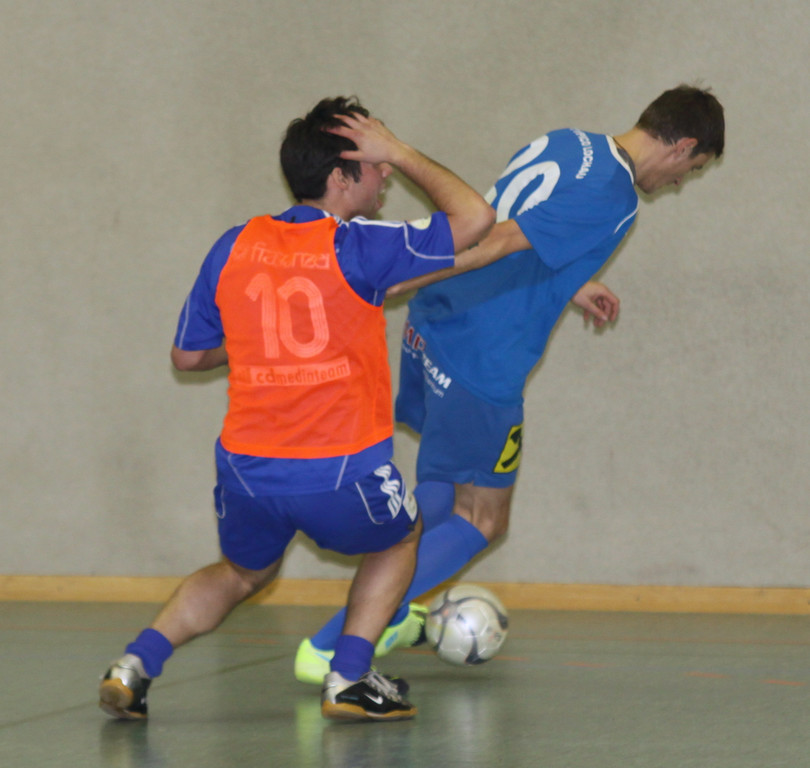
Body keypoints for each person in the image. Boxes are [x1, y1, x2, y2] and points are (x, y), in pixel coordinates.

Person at [294, 85, 725, 683]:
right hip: (482, 356)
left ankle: (383, 609)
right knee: (483, 519)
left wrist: (569, 282)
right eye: (691, 169)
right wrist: (402, 274)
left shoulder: (572, 143)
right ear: (682, 145)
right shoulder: (614, 195)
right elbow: (497, 239)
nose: (679, 182)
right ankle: (337, 644)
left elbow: (512, 220)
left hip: (434, 325)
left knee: (446, 484)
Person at [98, 96, 494, 723]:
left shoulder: (235, 243)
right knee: (401, 538)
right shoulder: (358, 246)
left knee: (240, 573)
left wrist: (261, 346)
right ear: (341, 177)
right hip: (339, 467)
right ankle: (349, 677)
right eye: (374, 163)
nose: (384, 174)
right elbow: (474, 217)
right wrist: (402, 150)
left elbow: (188, 356)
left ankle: (134, 665)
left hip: (246, 468)